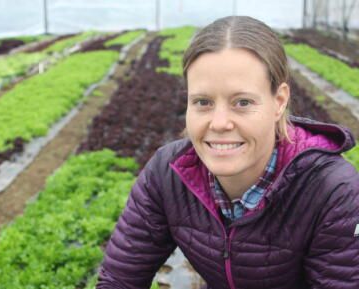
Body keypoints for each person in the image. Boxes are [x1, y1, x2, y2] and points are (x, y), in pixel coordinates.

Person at [96, 16, 359, 289]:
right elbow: (119, 279)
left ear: (278, 102)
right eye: (203, 102)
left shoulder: (333, 191)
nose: (220, 123)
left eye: (242, 102)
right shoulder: (167, 174)